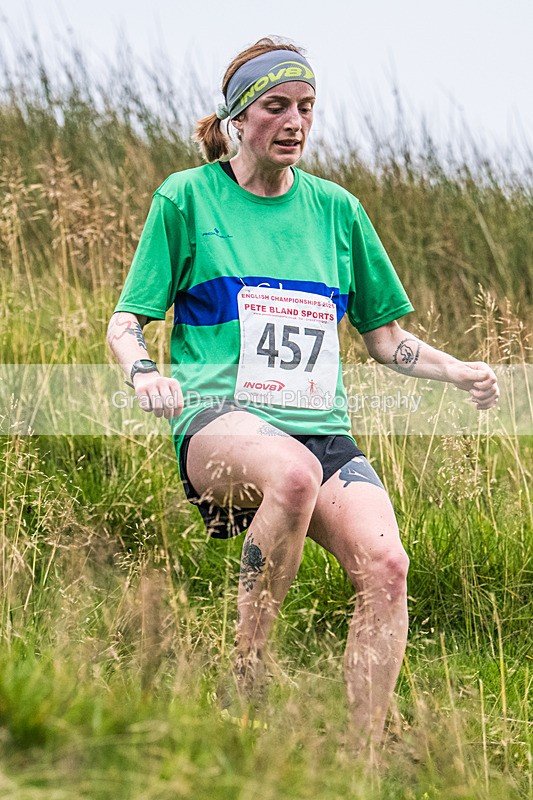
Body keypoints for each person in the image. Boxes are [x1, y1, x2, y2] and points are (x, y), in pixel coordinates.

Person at [107, 37, 499, 751]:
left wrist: (458, 370)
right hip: (217, 421)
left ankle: (359, 756)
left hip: (319, 427)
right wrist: (144, 372)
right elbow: (125, 321)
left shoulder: (338, 211)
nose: (294, 121)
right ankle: (248, 675)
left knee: (387, 565)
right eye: (275, 106)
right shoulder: (186, 198)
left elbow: (386, 339)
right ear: (236, 119)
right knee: (290, 474)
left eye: (306, 108)